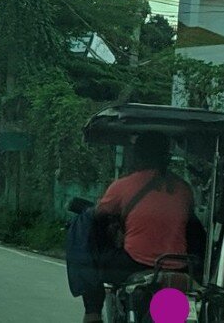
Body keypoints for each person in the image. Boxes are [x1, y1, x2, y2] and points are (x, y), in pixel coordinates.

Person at [78, 132, 195, 323]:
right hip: (181, 266)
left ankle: (92, 312)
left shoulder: (122, 186)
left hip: (134, 263)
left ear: (137, 155)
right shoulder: (184, 188)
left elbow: (97, 218)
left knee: (87, 244)